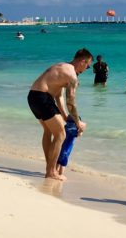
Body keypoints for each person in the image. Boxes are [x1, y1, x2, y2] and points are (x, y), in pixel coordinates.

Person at [27, 48, 91, 180]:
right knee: (61, 134)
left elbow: (58, 97)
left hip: (33, 96)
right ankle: (51, 172)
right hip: (42, 98)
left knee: (48, 131)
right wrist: (77, 123)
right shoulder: (72, 76)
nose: (87, 69)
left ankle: (49, 167)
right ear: (82, 62)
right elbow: (71, 102)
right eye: (88, 66)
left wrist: (65, 116)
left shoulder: (62, 67)